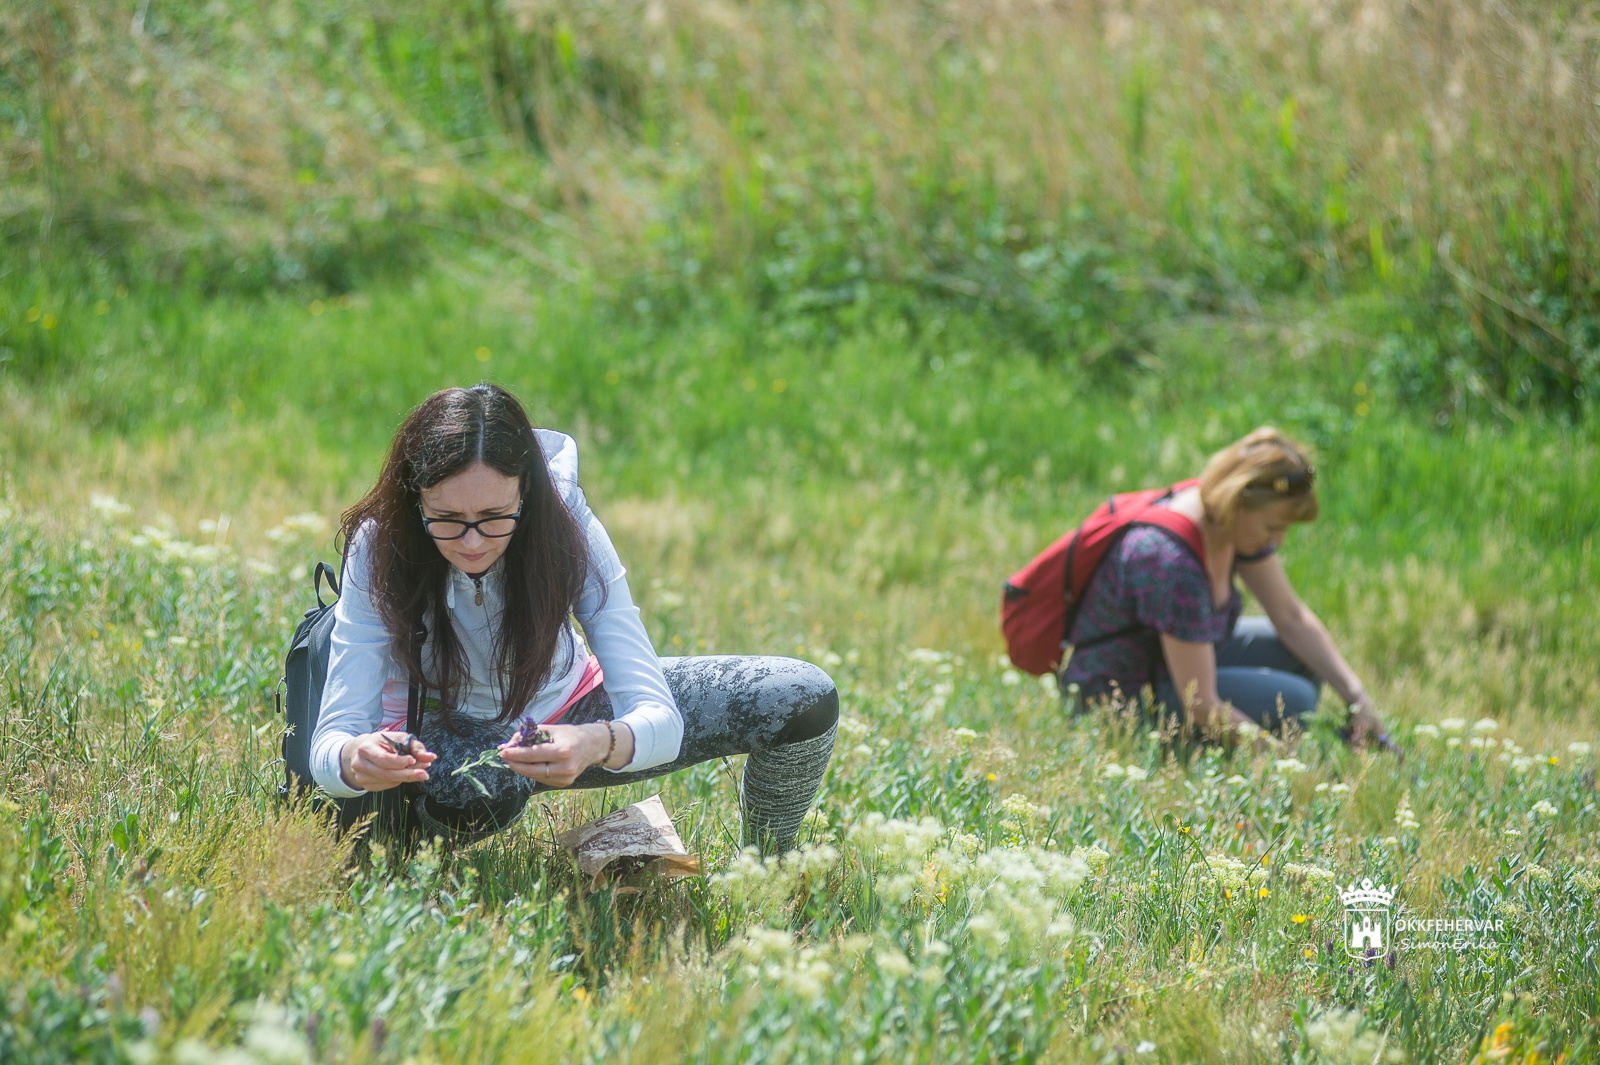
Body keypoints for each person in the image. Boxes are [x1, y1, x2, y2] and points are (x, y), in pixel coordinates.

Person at [310, 384, 838, 850]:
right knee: (474, 786)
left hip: (568, 712)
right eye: (446, 519)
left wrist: (593, 743)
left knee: (800, 695)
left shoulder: (566, 526)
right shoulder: (380, 546)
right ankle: (415, 845)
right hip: (435, 741)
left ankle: (769, 870)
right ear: (414, 501)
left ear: (528, 494)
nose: (472, 542)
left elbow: (660, 717)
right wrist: (358, 758)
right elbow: (330, 743)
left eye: (494, 518)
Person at [1062, 426, 1388, 744]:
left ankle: (1250, 747)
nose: (1279, 540)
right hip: (1120, 702)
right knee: (1297, 699)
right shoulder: (1171, 562)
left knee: (1305, 654)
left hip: (1175, 667)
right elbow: (1200, 704)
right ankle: (1211, 760)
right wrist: (1274, 756)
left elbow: (1291, 618)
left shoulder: (1229, 524)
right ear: (1237, 502)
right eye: (1273, 527)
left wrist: (1357, 697)